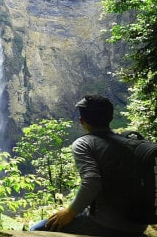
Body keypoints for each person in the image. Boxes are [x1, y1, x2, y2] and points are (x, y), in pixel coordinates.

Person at [29, 95, 147, 237]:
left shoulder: (84, 143)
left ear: (81, 121)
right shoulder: (129, 143)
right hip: (138, 224)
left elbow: (92, 181)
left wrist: (70, 212)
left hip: (107, 224)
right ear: (110, 118)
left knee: (36, 230)